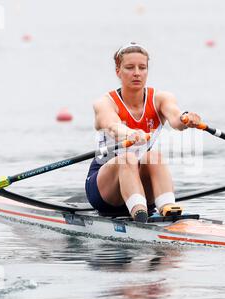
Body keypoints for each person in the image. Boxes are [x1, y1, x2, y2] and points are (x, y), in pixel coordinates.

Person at [85, 42, 202, 223]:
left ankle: (168, 208)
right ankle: (139, 214)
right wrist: (129, 133)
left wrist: (186, 119)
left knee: (153, 156)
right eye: (130, 68)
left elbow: (175, 118)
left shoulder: (161, 98)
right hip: (106, 189)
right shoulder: (104, 103)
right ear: (118, 71)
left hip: (140, 184)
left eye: (142, 67)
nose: (137, 73)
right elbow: (112, 126)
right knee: (128, 158)